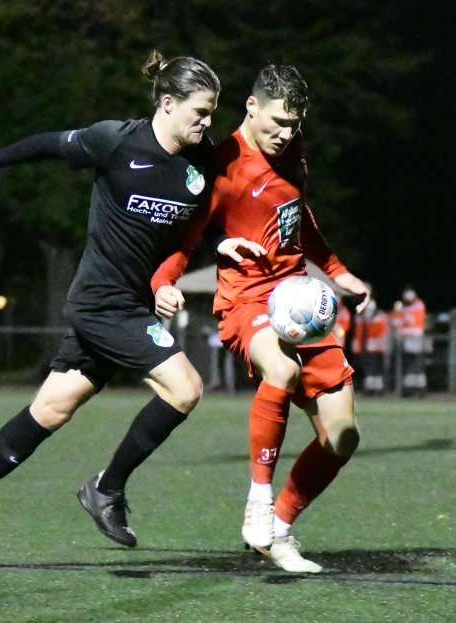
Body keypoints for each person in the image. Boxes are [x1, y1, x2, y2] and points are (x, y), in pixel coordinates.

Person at [0, 51, 223, 562]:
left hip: (132, 304)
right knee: (186, 387)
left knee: (51, 408)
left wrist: (166, 279)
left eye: (213, 112)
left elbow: (188, 234)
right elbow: (44, 145)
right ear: (168, 102)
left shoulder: (201, 161)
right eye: (200, 111)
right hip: (101, 304)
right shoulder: (116, 140)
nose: (207, 121)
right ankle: (106, 489)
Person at [152, 64, 371, 573]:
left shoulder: (291, 153)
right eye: (276, 121)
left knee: (342, 436)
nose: (284, 134)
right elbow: (186, 235)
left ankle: (278, 531)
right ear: (251, 106)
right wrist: (164, 282)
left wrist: (338, 271)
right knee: (282, 370)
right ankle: (258, 501)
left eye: (293, 125)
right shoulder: (220, 164)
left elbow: (298, 219)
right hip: (246, 301)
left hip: (299, 300)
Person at [391, 286, 427, 395]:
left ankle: (417, 389)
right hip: (408, 338)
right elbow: (397, 322)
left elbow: (407, 321)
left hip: (414, 337)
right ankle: (412, 388)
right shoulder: (409, 307)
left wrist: (398, 311)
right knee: (410, 363)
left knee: (414, 363)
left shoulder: (416, 306)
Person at [352, 297, 390, 394]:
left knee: (377, 367)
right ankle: (370, 387)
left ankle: (378, 388)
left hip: (378, 347)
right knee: (368, 367)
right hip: (368, 346)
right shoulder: (362, 316)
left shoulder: (379, 316)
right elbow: (359, 332)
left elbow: (382, 332)